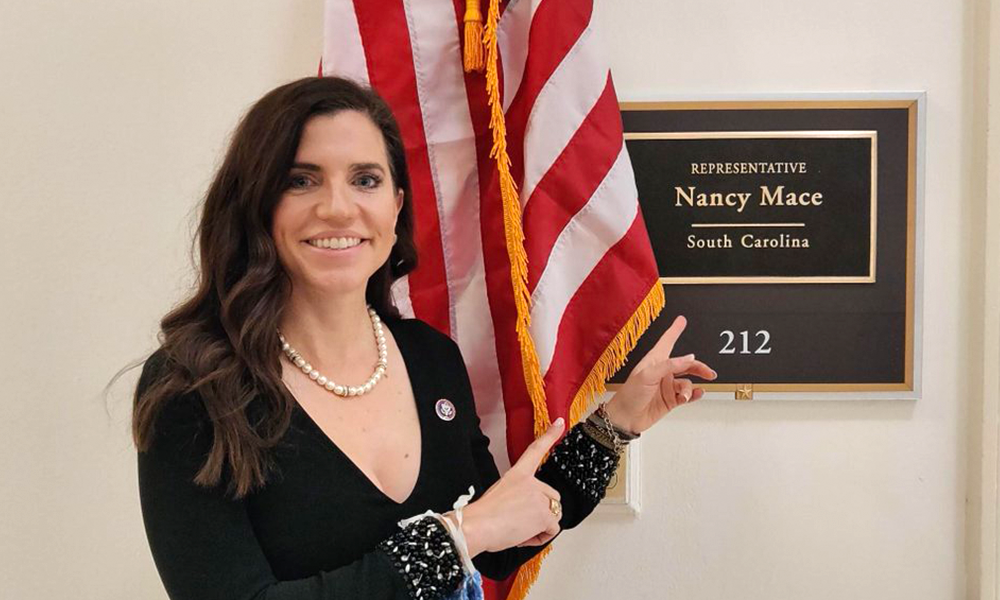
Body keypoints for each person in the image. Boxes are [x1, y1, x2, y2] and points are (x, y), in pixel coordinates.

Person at [133, 76, 717, 600]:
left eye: (365, 180)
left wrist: (618, 422)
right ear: (255, 203)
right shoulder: (196, 383)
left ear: (395, 208)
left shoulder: (429, 356)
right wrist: (461, 534)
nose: (338, 208)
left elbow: (497, 539)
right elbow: (474, 532)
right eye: (300, 180)